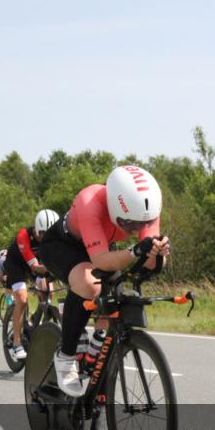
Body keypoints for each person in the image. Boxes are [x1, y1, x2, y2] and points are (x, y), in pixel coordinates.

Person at [37, 166, 169, 397]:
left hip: (101, 246)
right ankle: (66, 356)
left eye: (141, 225)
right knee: (90, 284)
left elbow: (148, 263)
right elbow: (101, 261)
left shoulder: (145, 209)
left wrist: (158, 253)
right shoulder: (90, 201)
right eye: (129, 225)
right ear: (115, 205)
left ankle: (93, 356)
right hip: (63, 246)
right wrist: (136, 250)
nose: (135, 230)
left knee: (116, 299)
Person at [2, 209, 60, 360]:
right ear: (36, 229)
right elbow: (35, 268)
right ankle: (16, 344)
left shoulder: (52, 239)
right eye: (43, 234)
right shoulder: (24, 236)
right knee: (22, 298)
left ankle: (35, 321)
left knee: (48, 291)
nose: (46, 238)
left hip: (37, 264)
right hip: (17, 264)